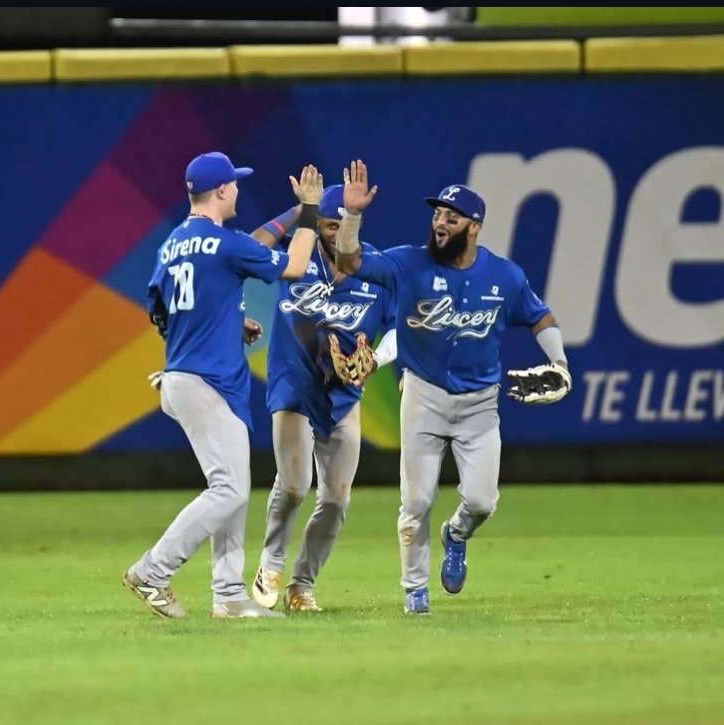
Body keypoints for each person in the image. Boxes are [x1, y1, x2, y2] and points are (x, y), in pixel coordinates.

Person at [334, 161, 573, 615]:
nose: (440, 223)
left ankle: (456, 534)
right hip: (423, 394)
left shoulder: (504, 276)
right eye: (438, 214)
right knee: (416, 501)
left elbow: (539, 315)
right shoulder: (408, 263)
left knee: (483, 501)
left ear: (474, 227)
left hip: (481, 402)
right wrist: (352, 216)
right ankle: (414, 593)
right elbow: (350, 260)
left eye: (452, 217)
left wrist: (559, 361)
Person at [122, 152, 325, 620]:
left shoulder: (173, 243)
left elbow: (161, 311)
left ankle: (230, 596)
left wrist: (227, 322)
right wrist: (310, 211)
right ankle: (153, 570)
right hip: (206, 381)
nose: (237, 189)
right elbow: (294, 265)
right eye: (233, 183)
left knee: (232, 485)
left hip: (186, 375)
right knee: (230, 489)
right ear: (220, 192)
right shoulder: (225, 243)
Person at [247, 184, 399, 613]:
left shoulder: (375, 269)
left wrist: (376, 360)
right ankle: (270, 563)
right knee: (294, 488)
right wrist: (301, 211)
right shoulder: (298, 259)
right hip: (295, 384)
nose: (333, 233)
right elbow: (254, 246)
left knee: (336, 500)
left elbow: (405, 327)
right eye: (326, 224)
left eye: (341, 224)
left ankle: (302, 587)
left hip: (344, 394)